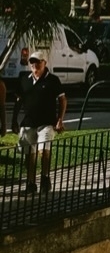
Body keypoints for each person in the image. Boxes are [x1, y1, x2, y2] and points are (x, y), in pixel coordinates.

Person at [16, 51, 66, 193]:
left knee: (43, 150)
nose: (34, 65)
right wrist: (14, 120)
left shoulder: (52, 80)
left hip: (47, 122)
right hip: (28, 122)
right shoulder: (25, 79)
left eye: (37, 62)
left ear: (44, 63)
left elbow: (62, 100)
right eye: (32, 62)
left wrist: (60, 119)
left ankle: (45, 177)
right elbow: (19, 100)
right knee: (28, 153)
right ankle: (31, 183)